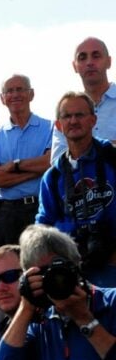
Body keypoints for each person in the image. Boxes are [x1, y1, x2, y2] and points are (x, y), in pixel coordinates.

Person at [0, 225, 116, 360]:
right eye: (42, 274)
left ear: (77, 266)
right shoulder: (40, 319)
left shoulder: (111, 301)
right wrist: (26, 305)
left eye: (59, 268)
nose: (55, 279)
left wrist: (84, 319)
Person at [37, 91, 116, 286]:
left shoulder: (112, 159)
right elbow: (43, 228)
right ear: (58, 125)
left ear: (93, 120)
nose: (73, 121)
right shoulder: (53, 177)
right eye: (67, 116)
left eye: (79, 115)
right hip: (75, 273)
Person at [0, 74, 53, 246]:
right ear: (2, 98)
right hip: (8, 212)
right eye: (10, 91)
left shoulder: (50, 127)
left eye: (20, 89)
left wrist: (15, 165)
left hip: (42, 206)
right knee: (11, 269)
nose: (15, 95)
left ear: (31, 94)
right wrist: (35, 171)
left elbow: (50, 163)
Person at [51, 37, 116, 159]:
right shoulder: (66, 110)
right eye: (82, 57)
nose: (89, 62)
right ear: (75, 66)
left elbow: (70, 155)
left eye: (96, 56)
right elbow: (58, 159)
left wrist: (78, 146)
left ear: (109, 62)